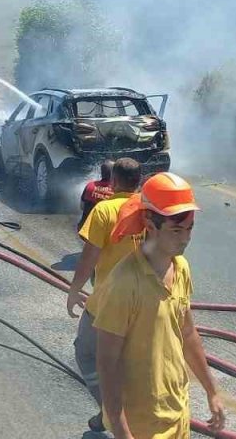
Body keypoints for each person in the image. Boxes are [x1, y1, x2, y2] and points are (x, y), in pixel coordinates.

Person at [93, 172, 226, 439]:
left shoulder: (181, 268)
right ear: (150, 224)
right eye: (176, 230)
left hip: (176, 412)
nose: (185, 239)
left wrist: (212, 391)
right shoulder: (124, 283)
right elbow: (108, 362)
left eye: (189, 229)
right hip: (141, 423)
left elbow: (187, 333)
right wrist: (121, 430)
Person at [67, 158, 142, 433]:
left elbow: (88, 257)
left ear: (113, 182)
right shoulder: (151, 211)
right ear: (140, 182)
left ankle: (110, 412)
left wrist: (74, 290)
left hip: (108, 304)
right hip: (144, 304)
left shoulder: (104, 210)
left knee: (86, 353)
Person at [79, 160, 115, 230]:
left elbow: (82, 206)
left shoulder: (90, 185)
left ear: (101, 172)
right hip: (102, 232)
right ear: (114, 174)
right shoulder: (116, 191)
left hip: (85, 228)